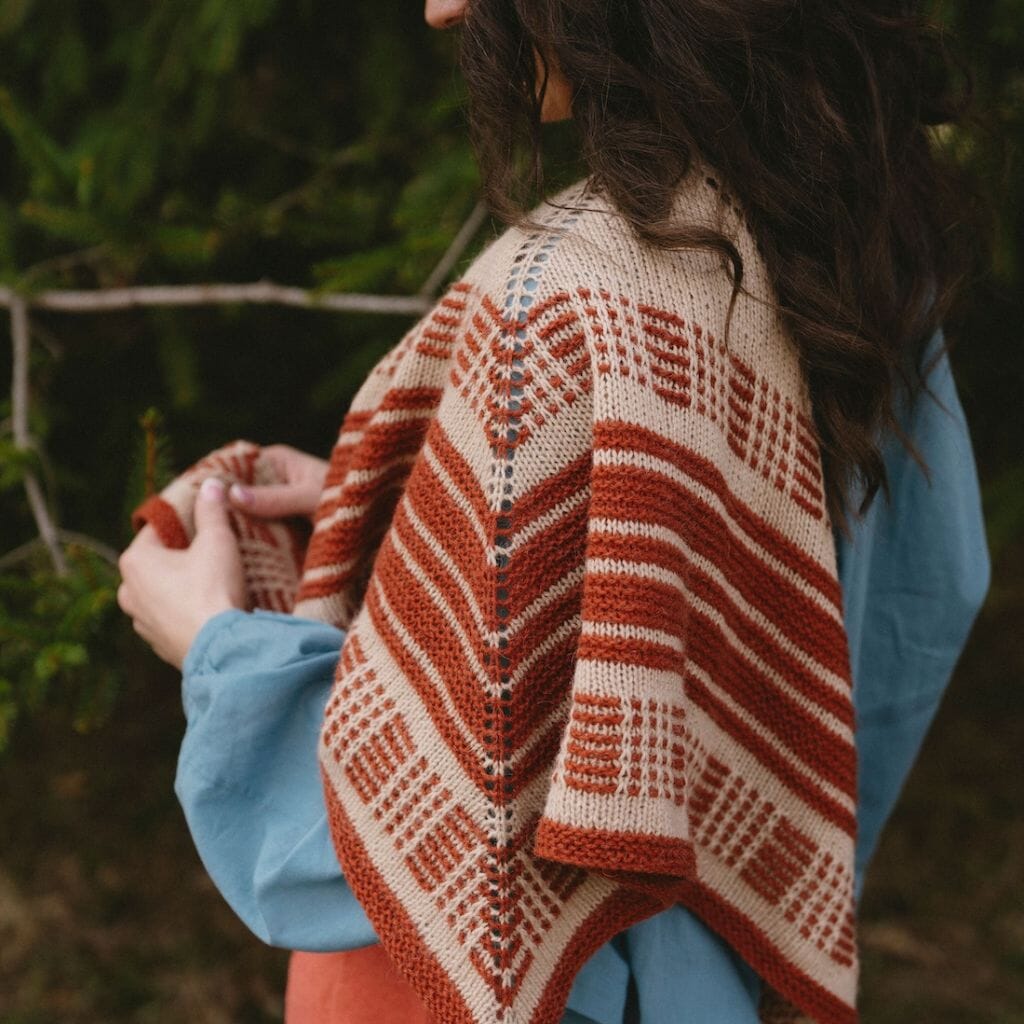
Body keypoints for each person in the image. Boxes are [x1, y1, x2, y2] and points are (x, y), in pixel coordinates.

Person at [117, 2, 990, 1022]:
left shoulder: (561, 299)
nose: (442, 6)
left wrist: (216, 645)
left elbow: (435, 834)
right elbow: (919, 600)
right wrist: (443, 496)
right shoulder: (850, 229)